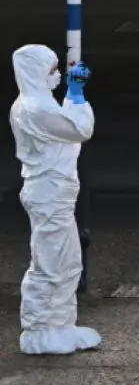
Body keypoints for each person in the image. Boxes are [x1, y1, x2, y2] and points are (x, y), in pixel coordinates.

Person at [9, 44, 100, 355]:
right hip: (48, 194)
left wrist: (72, 97)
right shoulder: (35, 109)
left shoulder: (38, 104)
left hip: (56, 194)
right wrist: (76, 96)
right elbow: (79, 129)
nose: (57, 75)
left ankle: (60, 325)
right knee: (49, 264)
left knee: (68, 262)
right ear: (36, 72)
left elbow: (65, 130)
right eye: (51, 70)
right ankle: (39, 331)